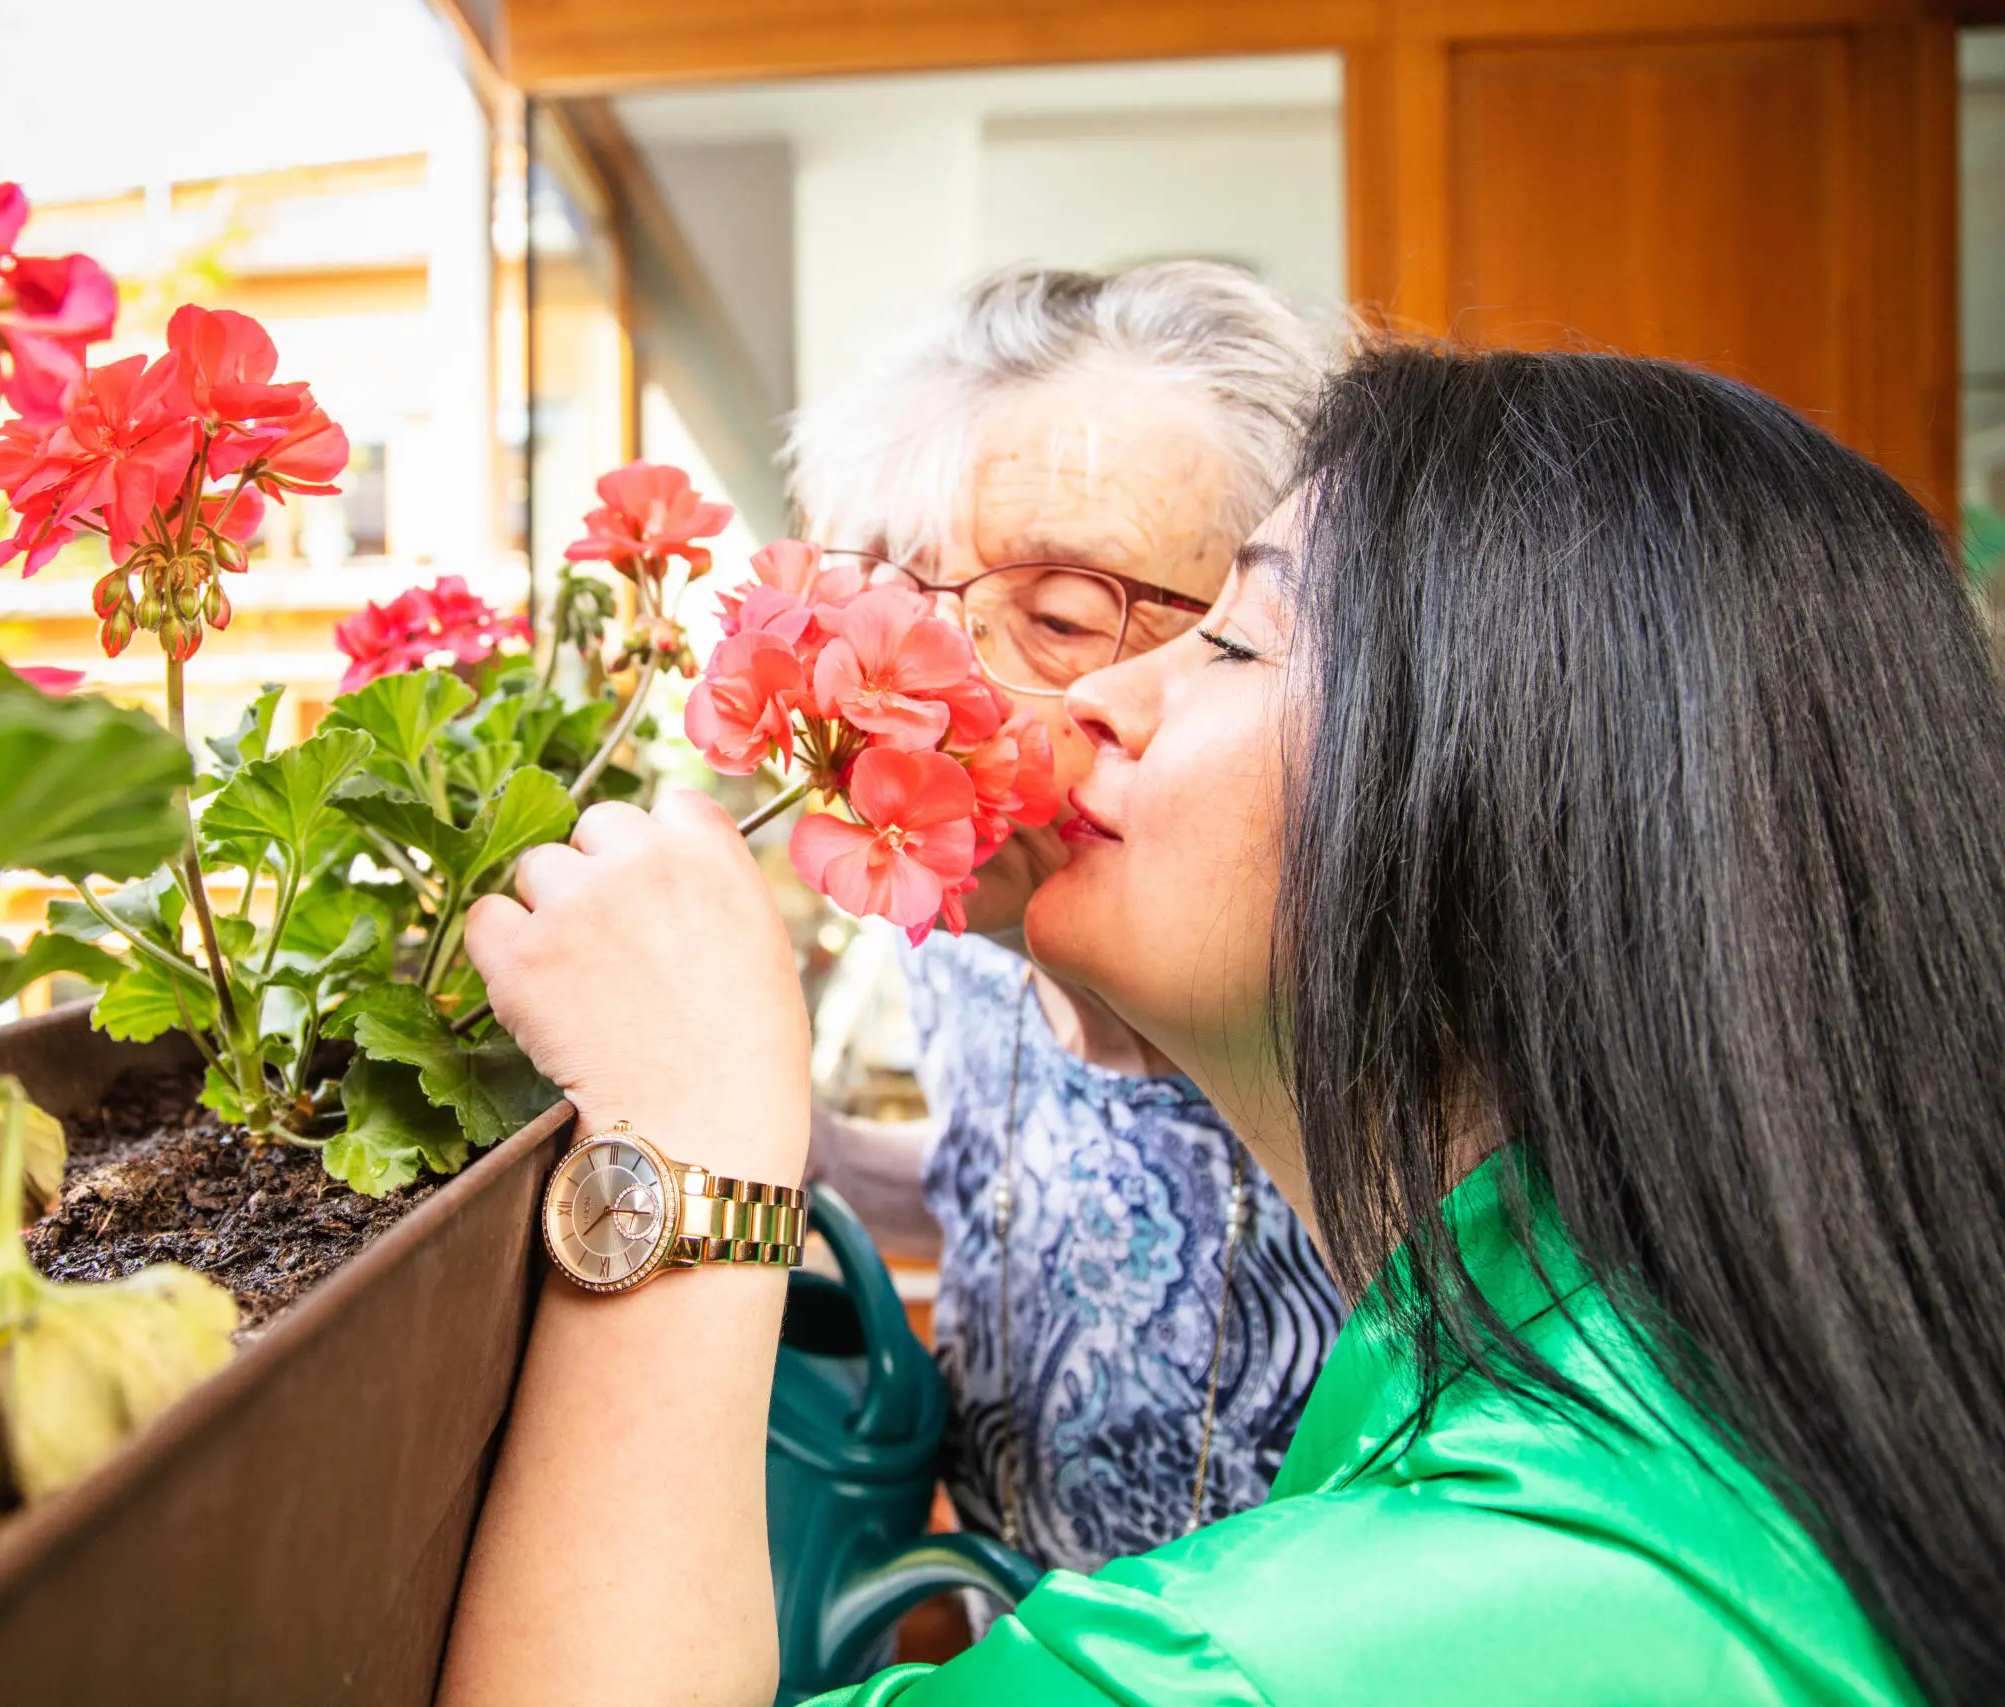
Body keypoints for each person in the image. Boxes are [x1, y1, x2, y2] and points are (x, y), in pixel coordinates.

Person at [437, 344, 2005, 1707]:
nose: (1077, 705)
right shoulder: (1705, 1378)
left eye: (1231, 639)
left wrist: (690, 1155)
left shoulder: (1294, 1647)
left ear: (1515, 816)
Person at [788, 263, 1346, 1570]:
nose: (931, 698)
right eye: (904, 610)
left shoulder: (1387, 1062)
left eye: (1055, 616)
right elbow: (988, 1179)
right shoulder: (962, 952)